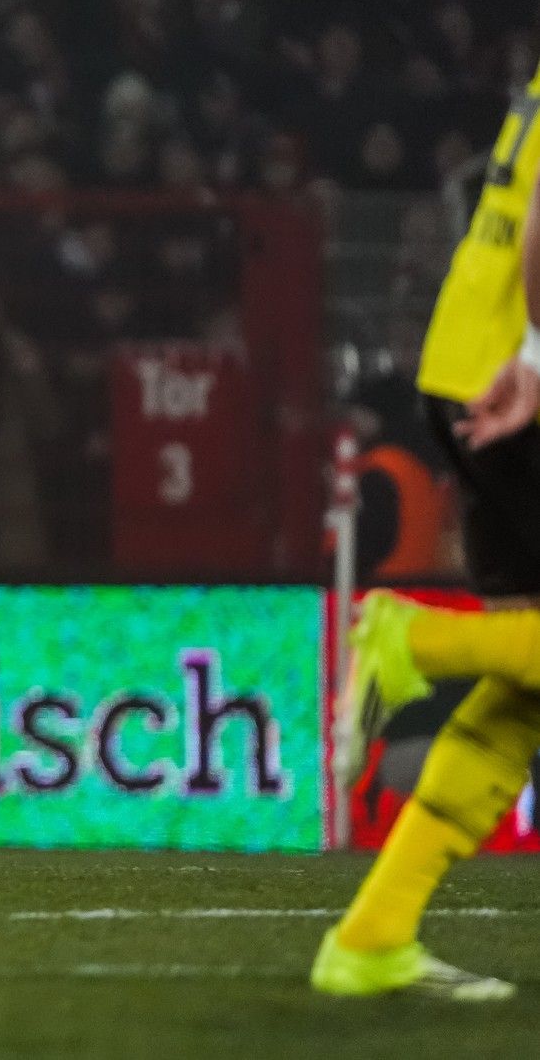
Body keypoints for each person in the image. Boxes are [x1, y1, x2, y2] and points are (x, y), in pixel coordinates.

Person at [318, 62, 540, 1000]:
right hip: (514, 377)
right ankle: (416, 637)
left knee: (525, 696)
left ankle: (372, 935)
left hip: (468, 359)